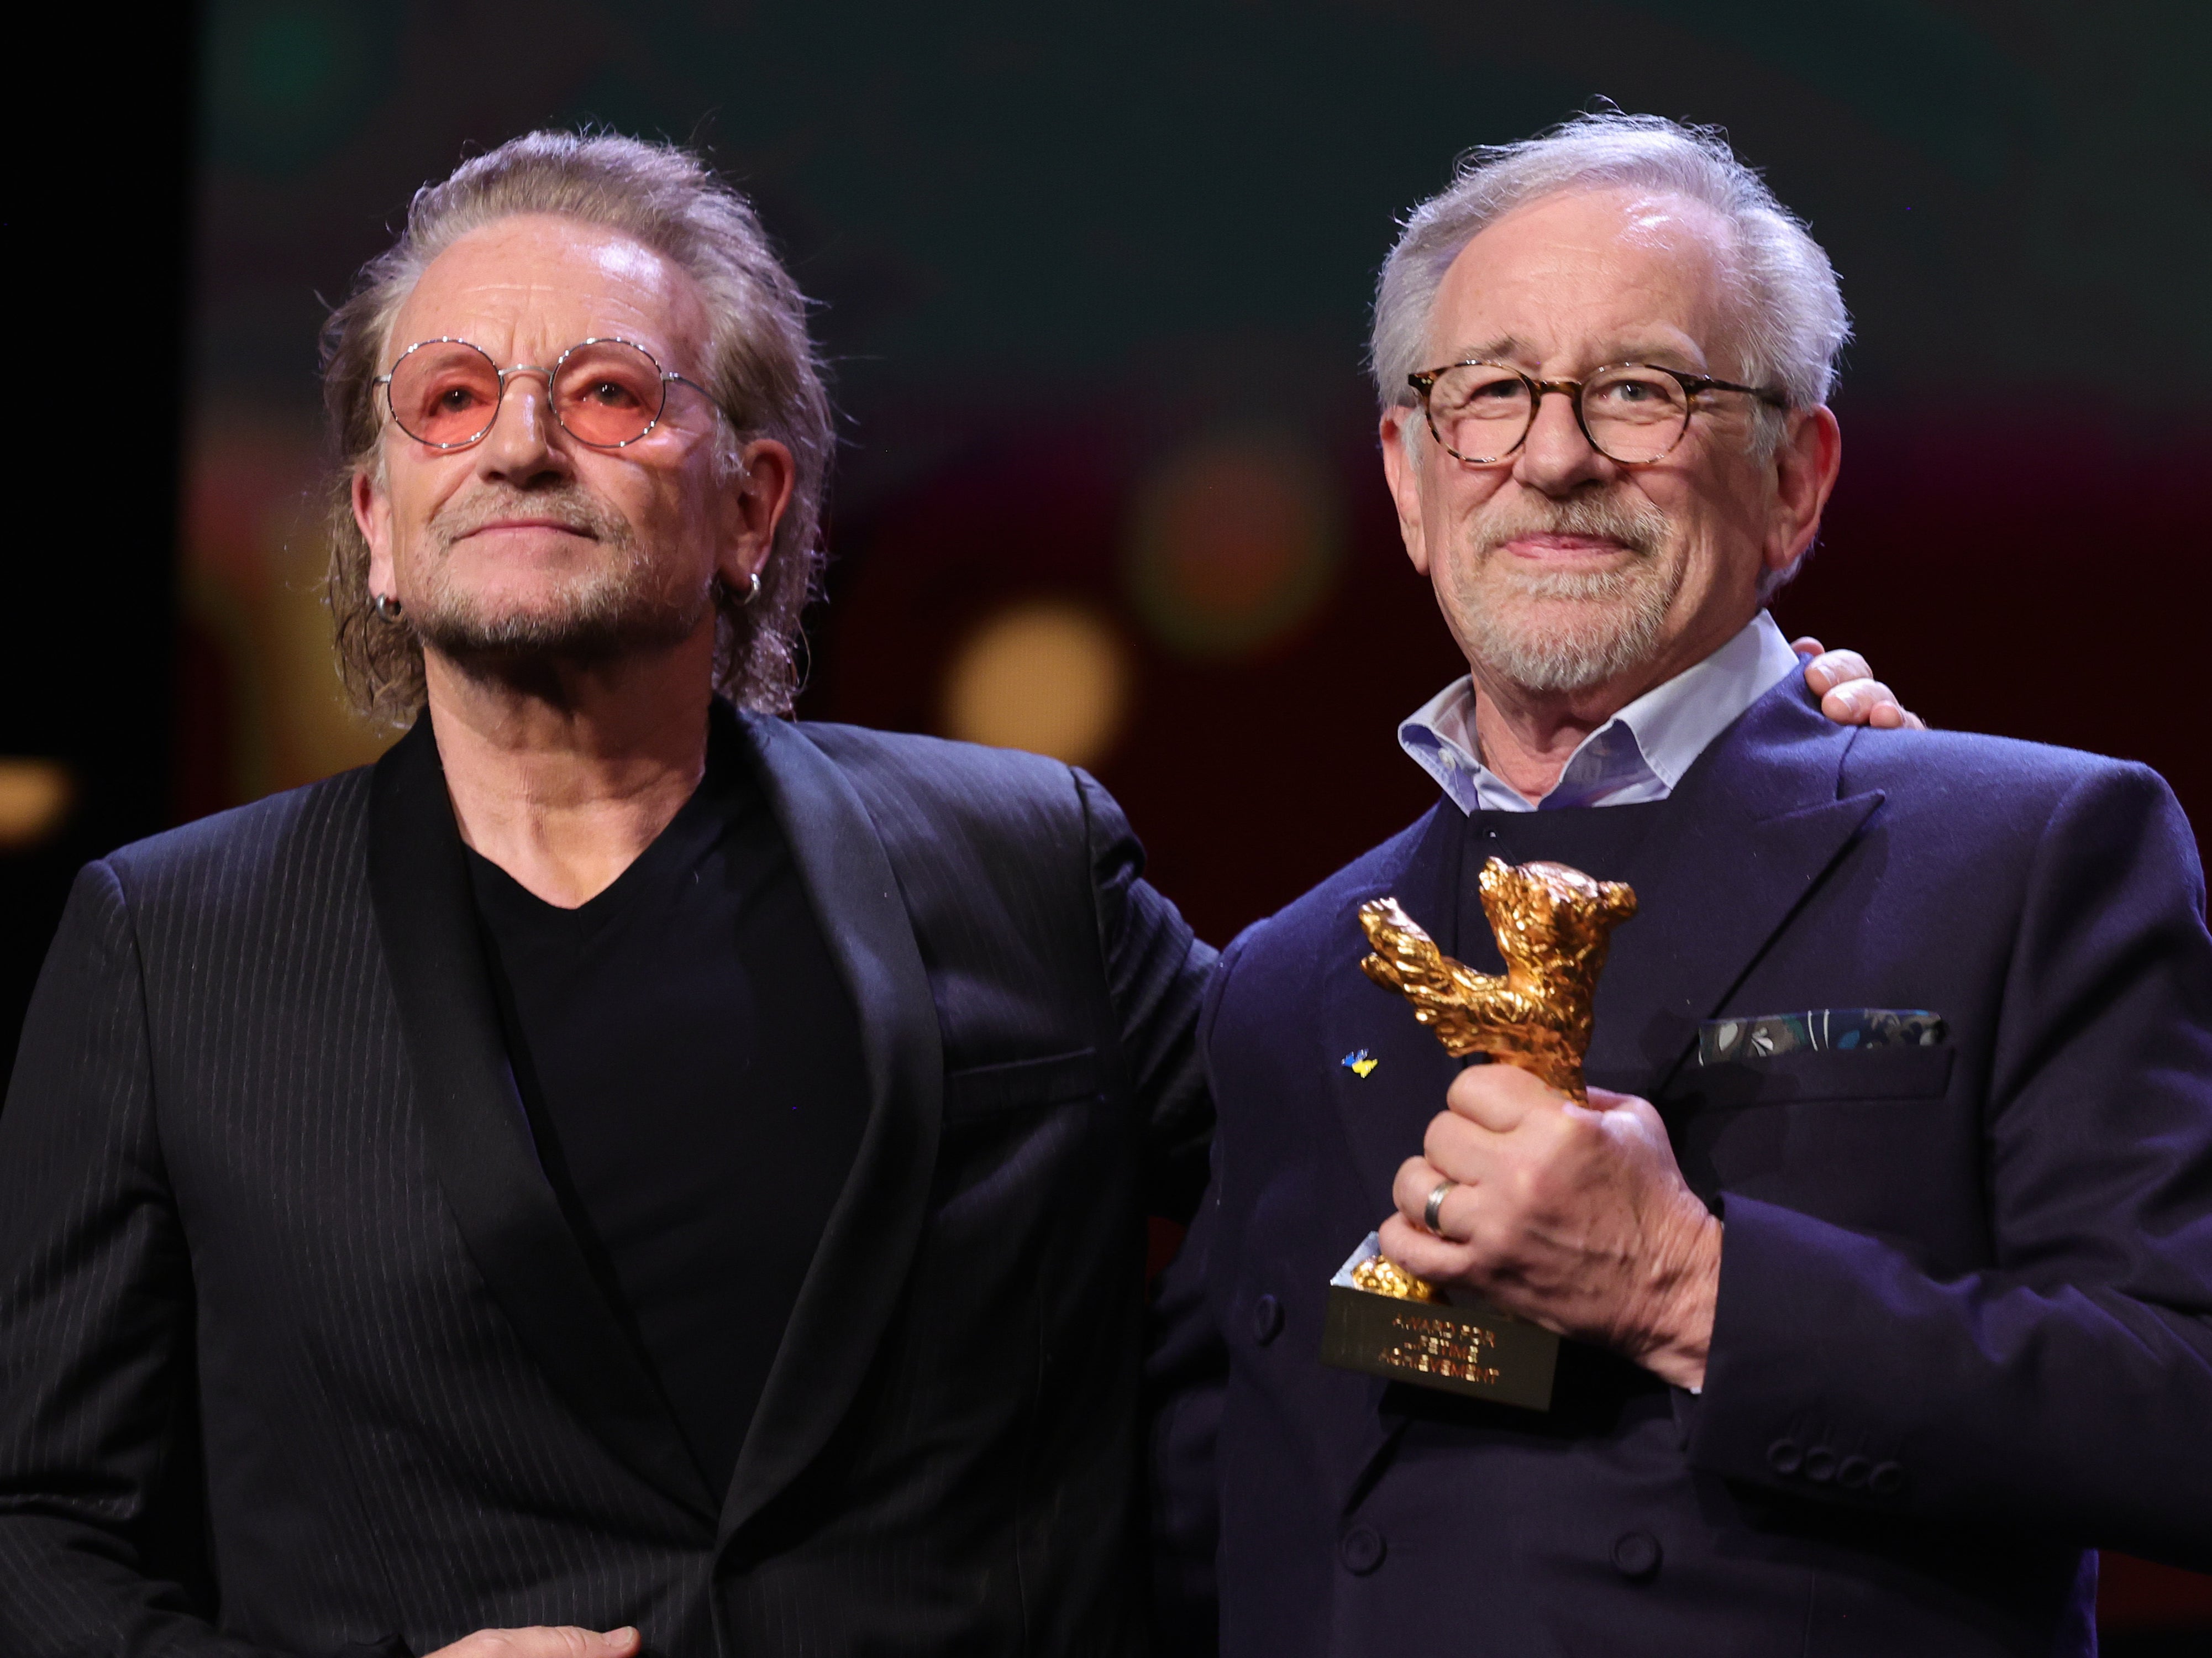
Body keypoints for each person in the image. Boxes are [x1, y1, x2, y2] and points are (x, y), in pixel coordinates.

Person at [0, 129, 1911, 1657]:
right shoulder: (174, 946)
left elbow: (1406, 1191)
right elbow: (41, 1527)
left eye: (602, 394)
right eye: (448, 401)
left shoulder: (1013, 861)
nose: (517, 442)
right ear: (371, 522)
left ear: (753, 503)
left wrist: (1754, 807)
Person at [1149, 113, 2212, 1657]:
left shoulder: (2023, 850)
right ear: (1406, 473)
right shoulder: (1284, 975)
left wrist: (1687, 1285)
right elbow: (1190, 1517)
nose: (1556, 455)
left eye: (1640, 390)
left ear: (1794, 476)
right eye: (1491, 393)